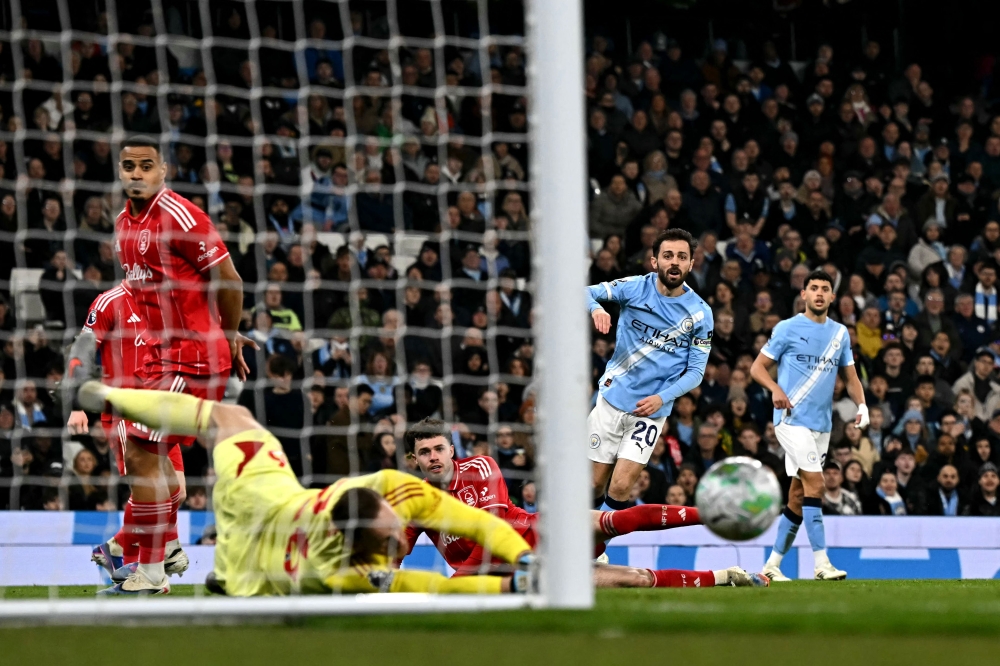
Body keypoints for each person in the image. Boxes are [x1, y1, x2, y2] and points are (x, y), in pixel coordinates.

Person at [77, 381, 537, 596]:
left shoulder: (395, 487)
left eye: (395, 524)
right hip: (255, 533)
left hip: (265, 512)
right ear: (366, 550)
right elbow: (436, 587)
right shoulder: (341, 574)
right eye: (392, 535)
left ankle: (106, 394)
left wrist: (523, 561)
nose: (403, 532)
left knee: (229, 417)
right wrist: (513, 586)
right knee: (225, 418)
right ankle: (110, 398)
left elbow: (473, 521)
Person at [404, 418, 766, 588]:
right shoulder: (416, 503)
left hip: (538, 534)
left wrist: (454, 584)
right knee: (635, 580)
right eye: (424, 451)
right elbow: (396, 548)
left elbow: (494, 533)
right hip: (520, 575)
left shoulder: (479, 467)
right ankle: (724, 577)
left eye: (439, 448)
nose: (434, 456)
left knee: (613, 521)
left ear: (452, 449)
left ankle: (712, 513)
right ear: (413, 460)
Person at [65, 282, 189, 588]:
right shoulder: (109, 301)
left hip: (160, 409)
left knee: (178, 492)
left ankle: (117, 547)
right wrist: (77, 403)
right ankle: (153, 564)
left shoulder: (166, 300)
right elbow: (83, 347)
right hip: (124, 409)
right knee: (153, 488)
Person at [751, 270, 869, 582]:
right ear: (803, 294)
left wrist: (862, 405)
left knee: (798, 497)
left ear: (833, 297)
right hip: (791, 422)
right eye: (813, 288)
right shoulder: (787, 328)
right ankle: (822, 564)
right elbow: (757, 368)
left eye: (825, 289)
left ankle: (771, 566)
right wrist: (775, 388)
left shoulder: (840, 334)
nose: (818, 293)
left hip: (822, 425)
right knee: (817, 485)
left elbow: (851, 377)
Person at [587, 229, 713, 513]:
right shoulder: (634, 288)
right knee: (593, 484)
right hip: (612, 398)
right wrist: (596, 309)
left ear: (691, 264)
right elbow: (585, 292)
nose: (675, 262)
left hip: (651, 410)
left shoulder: (700, 314)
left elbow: (696, 372)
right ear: (654, 261)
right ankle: (584, 546)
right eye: (668, 256)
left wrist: (662, 398)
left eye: (682, 257)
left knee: (620, 486)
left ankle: (598, 550)